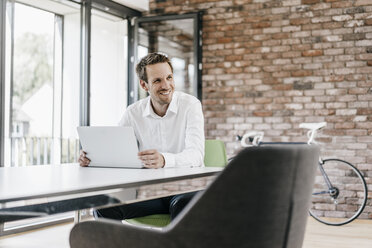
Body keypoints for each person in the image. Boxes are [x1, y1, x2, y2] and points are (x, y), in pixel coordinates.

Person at [78, 52, 205, 221]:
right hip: (152, 193)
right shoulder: (133, 113)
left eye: (169, 77)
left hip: (188, 190)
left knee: (182, 205)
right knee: (105, 206)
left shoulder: (190, 105)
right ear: (144, 85)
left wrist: (164, 160)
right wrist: (90, 156)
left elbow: (196, 155)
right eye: (157, 80)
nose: (166, 85)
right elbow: (114, 149)